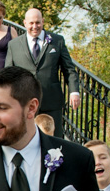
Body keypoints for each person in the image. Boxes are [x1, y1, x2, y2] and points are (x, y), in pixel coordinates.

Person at [5, 8, 80, 138]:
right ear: (25, 23)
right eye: (31, 23)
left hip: (51, 101)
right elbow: (8, 74)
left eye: (38, 23)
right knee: (25, 139)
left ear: (43, 21)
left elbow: (69, 69)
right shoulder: (14, 44)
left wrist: (74, 92)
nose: (35, 26)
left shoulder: (57, 41)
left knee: (54, 142)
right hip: (25, 103)